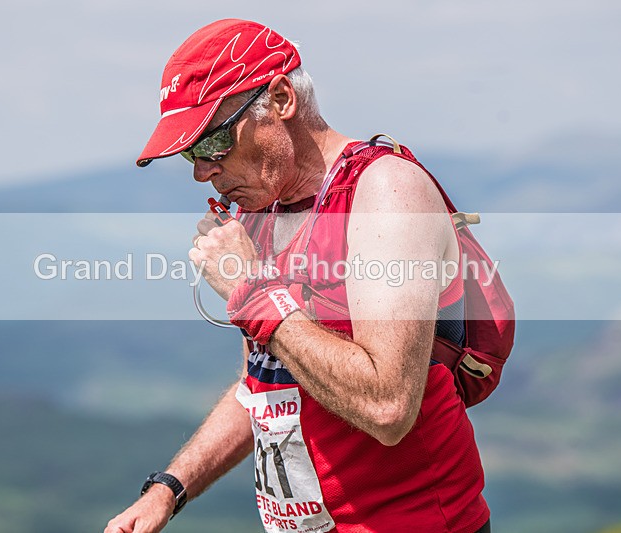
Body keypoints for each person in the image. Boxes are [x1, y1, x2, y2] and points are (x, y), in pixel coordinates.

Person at [105, 18, 490, 533]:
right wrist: (168, 490)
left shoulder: (385, 193)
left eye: (212, 143)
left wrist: (251, 291)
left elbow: (389, 406)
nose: (202, 170)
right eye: (190, 153)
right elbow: (263, 382)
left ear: (282, 98)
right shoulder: (261, 214)